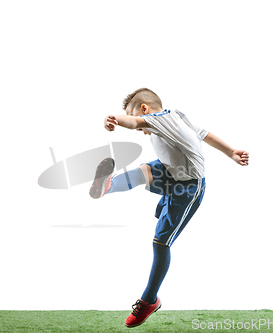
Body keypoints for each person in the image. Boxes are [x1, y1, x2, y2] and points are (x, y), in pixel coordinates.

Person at [89, 88, 249, 328]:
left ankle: (149, 300)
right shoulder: (178, 115)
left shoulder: (159, 119)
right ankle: (106, 187)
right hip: (171, 171)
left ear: (145, 109)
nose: (142, 129)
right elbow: (204, 134)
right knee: (147, 170)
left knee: (161, 242)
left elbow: (133, 123)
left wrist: (113, 119)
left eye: (140, 117)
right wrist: (231, 151)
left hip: (188, 187)